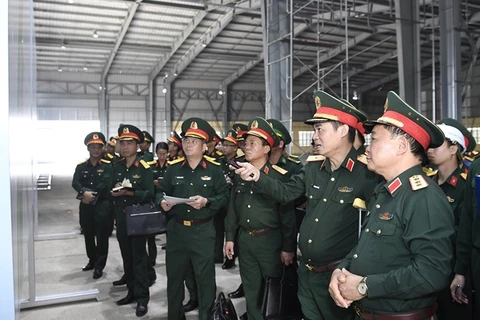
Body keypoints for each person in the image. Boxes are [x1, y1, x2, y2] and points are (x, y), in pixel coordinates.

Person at [233, 90, 380, 320]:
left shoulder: (368, 174)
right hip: (308, 273)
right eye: (314, 130)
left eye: (320, 129)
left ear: (342, 130)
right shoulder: (313, 167)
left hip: (339, 278)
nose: (314, 136)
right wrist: (257, 176)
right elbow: (285, 193)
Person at [328, 91, 455, 320]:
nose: (367, 148)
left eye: (374, 139)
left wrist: (365, 286)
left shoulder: (423, 197)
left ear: (401, 147)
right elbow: (367, 247)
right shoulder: (385, 192)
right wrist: (342, 270)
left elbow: (432, 273)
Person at [156, 117, 229, 320]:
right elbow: (160, 192)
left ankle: (206, 315)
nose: (188, 144)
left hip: (202, 232)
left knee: (205, 280)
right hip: (177, 231)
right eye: (186, 140)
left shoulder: (214, 170)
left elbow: (224, 197)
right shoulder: (173, 168)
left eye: (194, 141)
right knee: (175, 280)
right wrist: (162, 202)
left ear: (205, 146)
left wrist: (207, 201)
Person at [225, 117, 296, 320]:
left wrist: (288, 247)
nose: (246, 147)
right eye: (245, 143)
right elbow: (233, 209)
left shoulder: (278, 178)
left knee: (273, 291)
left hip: (270, 242)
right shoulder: (240, 174)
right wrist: (230, 237)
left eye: (253, 143)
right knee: (251, 290)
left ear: (266, 148)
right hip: (246, 240)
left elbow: (287, 216)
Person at [427, 118, 475, 320]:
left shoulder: (467, 185)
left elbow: (467, 232)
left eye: (437, 144)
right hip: (428, 269)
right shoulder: (426, 183)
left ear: (454, 148)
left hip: (456, 270)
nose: (430, 149)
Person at [111, 124, 155, 317]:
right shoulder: (116, 167)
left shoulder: (144, 168)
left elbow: (149, 193)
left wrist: (128, 191)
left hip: (137, 218)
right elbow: (108, 190)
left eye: (130, 143)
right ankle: (131, 292)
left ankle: (143, 299)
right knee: (127, 258)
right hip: (121, 217)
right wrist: (114, 190)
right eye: (123, 143)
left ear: (137, 145)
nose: (126, 146)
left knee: (138, 259)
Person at [72, 132, 112, 280]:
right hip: (86, 206)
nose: (96, 150)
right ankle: (92, 260)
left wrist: (89, 194)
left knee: (102, 236)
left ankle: (100, 265)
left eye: (98, 147)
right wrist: (83, 192)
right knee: (88, 234)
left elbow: (105, 184)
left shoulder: (108, 167)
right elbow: (75, 182)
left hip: (102, 205)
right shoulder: (81, 167)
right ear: (88, 149)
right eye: (93, 147)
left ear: (102, 149)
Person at [217, 129, 239, 269]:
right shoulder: (219, 162)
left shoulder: (240, 162)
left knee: (233, 230)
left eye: (228, 145)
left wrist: (231, 181)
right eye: (223, 144)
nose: (224, 147)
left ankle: (230, 257)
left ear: (235, 147)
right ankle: (218, 253)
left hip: (234, 201)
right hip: (222, 201)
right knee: (220, 229)